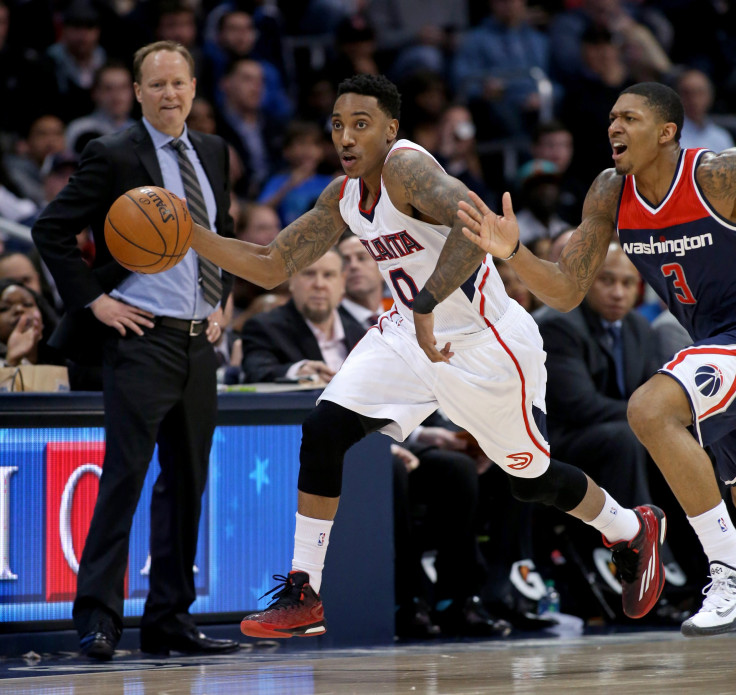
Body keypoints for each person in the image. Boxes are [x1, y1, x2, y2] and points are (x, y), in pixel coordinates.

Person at [189, 73, 664, 639]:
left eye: (361, 125)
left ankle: (629, 527)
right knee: (323, 428)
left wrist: (426, 304)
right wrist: (185, 234)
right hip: (407, 336)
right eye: (338, 125)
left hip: (485, 342)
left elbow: (477, 227)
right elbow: (269, 264)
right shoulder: (342, 196)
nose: (346, 136)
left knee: (530, 479)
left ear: (391, 130)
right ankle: (303, 589)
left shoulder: (405, 169)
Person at [458, 80, 736, 637]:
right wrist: (513, 251)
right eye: (611, 116)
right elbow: (564, 291)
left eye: (629, 118)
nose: (613, 126)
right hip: (712, 340)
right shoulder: (611, 191)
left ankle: (726, 573)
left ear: (667, 132)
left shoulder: (717, 175)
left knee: (650, 410)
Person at [31, 40, 239, 660]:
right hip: (141, 337)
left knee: (188, 483)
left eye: (179, 83)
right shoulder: (114, 153)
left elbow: (219, 230)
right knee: (124, 478)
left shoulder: (213, 150)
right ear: (139, 93)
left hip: (198, 340)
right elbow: (51, 228)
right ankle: (98, 620)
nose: (170, 94)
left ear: (194, 88)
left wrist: (221, 297)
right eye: (157, 84)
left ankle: (170, 618)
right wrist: (94, 302)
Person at [534, 242, 690, 591]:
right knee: (627, 438)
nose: (618, 293)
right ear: (587, 280)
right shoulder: (557, 324)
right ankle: (637, 555)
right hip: (560, 444)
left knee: (680, 440)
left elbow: (658, 396)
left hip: (617, 433)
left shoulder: (639, 328)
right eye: (607, 281)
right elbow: (580, 406)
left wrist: (661, 420)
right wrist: (650, 418)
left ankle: (696, 564)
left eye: (627, 283)